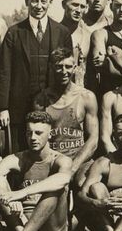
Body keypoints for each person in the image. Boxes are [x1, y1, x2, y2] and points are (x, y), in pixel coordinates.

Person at [0, 111, 74, 231]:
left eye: (38, 133)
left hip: (52, 230)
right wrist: (7, 198)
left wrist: (21, 193)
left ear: (50, 134)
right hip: (22, 224)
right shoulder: (18, 159)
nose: (33, 138)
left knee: (55, 188)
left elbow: (64, 178)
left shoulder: (60, 160)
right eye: (29, 133)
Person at [0, 0, 73, 151]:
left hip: (52, 104)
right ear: (27, 2)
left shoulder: (62, 32)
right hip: (19, 107)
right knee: (20, 154)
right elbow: (5, 72)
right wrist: (3, 108)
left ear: (50, 2)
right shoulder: (14, 32)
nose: (39, 6)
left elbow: (68, 71)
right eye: (34, 1)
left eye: (43, 1)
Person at [32, 47, 100, 187]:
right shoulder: (41, 100)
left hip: (79, 160)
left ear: (75, 68)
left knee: (84, 185)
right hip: (53, 160)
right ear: (51, 68)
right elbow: (39, 137)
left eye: (68, 67)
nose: (64, 71)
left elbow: (93, 140)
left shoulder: (86, 97)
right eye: (59, 67)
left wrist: (73, 167)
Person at [59, 0, 92, 87]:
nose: (78, 10)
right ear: (64, 5)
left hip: (82, 91)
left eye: (82, 6)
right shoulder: (55, 32)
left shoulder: (88, 35)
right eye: (74, 5)